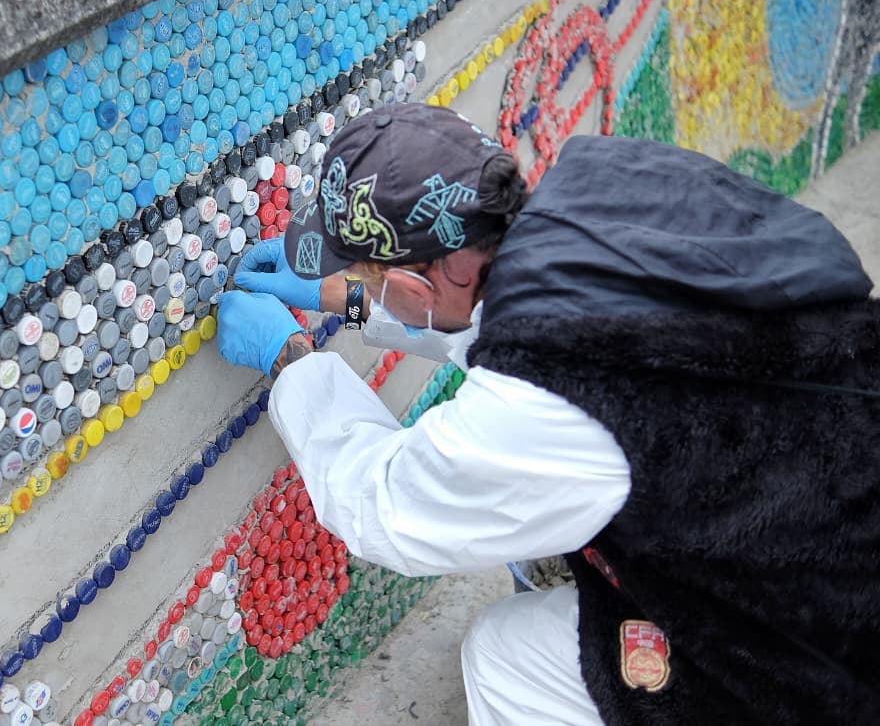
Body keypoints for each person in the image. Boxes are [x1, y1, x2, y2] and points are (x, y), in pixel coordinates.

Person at [214, 102, 880, 725]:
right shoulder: (597, 188)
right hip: (831, 469)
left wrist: (291, 360)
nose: (365, 289)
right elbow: (521, 322)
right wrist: (351, 296)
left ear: (419, 281)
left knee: (505, 655)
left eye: (371, 277)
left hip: (825, 645)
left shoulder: (550, 405)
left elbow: (384, 505)